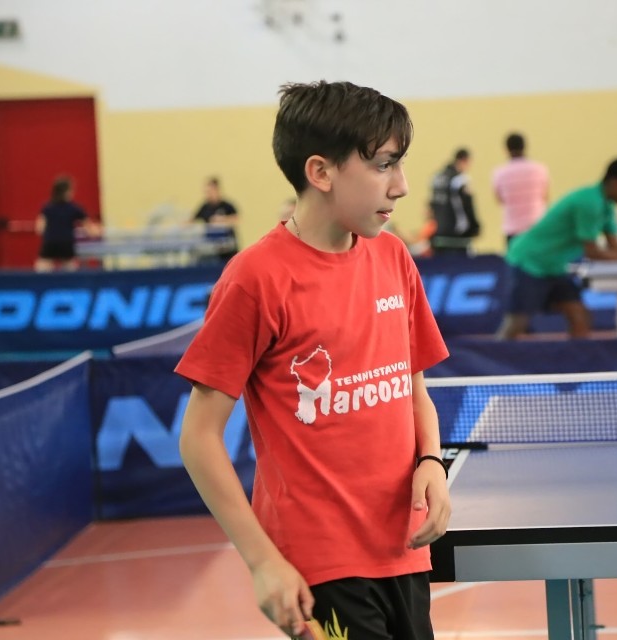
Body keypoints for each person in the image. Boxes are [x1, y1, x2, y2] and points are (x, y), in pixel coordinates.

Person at [175, 81, 450, 640]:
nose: (401, 185)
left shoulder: (393, 257)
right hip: (321, 564)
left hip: (403, 547)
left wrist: (431, 461)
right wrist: (262, 561)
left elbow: (412, 385)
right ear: (321, 172)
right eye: (383, 165)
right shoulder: (256, 279)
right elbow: (198, 437)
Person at [497, 158, 617, 340]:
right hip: (529, 261)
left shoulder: (607, 206)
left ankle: (577, 358)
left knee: (579, 316)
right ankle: (491, 359)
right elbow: (593, 252)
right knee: (517, 322)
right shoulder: (589, 203)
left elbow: (615, 247)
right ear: (616, 183)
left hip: (553, 267)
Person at [492, 132, 549, 246]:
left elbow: (499, 200)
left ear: (506, 149)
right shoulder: (539, 170)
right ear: (524, 146)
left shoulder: (500, 173)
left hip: (512, 228)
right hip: (536, 225)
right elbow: (545, 197)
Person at [35, 175, 101, 272]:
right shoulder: (75, 208)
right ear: (67, 192)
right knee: (70, 273)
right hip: (66, 244)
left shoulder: (47, 207)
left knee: (42, 272)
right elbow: (91, 230)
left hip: (50, 243)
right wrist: (98, 231)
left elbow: (39, 229)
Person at [428, 148, 479, 256]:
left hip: (439, 232)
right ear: (464, 160)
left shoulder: (437, 178)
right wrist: (475, 227)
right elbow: (468, 205)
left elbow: (432, 205)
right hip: (457, 235)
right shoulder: (460, 180)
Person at [193, 177, 240, 262]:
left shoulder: (226, 205)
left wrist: (222, 220)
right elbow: (193, 220)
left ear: (217, 190)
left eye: (211, 191)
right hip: (212, 248)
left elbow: (236, 219)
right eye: (207, 192)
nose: (209, 194)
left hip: (227, 248)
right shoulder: (205, 207)